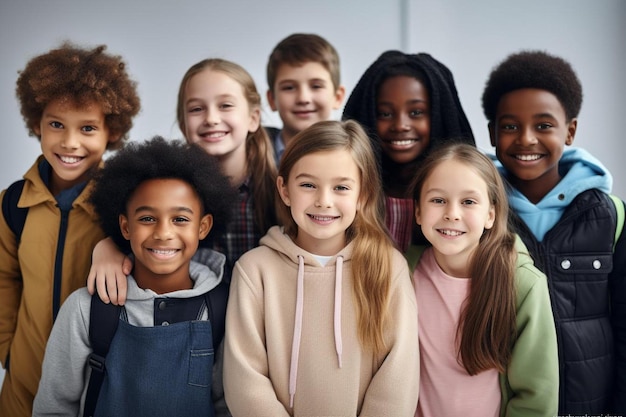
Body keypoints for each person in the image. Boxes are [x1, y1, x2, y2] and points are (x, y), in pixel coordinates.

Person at [223, 120, 419, 416]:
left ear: (362, 194)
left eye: (341, 187)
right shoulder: (254, 271)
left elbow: (398, 376)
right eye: (308, 185)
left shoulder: (388, 267)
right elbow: (244, 379)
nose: (323, 201)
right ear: (285, 190)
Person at [33, 137, 237, 416]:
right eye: (147, 219)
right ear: (125, 227)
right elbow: (54, 408)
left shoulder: (223, 307)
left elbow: (227, 406)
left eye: (180, 219)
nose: (163, 233)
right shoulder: (86, 309)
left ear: (203, 227)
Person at [481, 50, 626, 414]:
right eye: (510, 126)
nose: (526, 139)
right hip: (506, 403)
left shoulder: (610, 215)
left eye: (544, 126)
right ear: (492, 133)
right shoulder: (478, 214)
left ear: (570, 131)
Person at [0, 42, 140, 417]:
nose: (70, 142)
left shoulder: (127, 206)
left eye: (88, 128)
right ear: (37, 124)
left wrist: (111, 240)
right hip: (22, 386)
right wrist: (8, 352)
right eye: (56, 124)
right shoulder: (10, 204)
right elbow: (3, 281)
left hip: (96, 387)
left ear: (111, 131)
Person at [88, 58, 278, 305]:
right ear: (183, 124)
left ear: (253, 118)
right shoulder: (161, 190)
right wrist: (109, 246)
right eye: (197, 109)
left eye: (225, 105)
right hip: (194, 322)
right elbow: (144, 235)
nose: (211, 118)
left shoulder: (280, 189)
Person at [408, 142, 558, 416]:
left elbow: (536, 395)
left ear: (490, 214)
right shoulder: (403, 273)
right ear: (418, 210)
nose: (452, 213)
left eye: (468, 202)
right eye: (438, 200)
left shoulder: (522, 284)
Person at [343, 50, 475, 252]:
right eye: (385, 114)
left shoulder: (469, 194)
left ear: (440, 115)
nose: (400, 125)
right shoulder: (347, 191)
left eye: (416, 113)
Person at [265, 33, 346, 163]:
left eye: (316, 86)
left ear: (337, 97)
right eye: (289, 88)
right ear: (271, 99)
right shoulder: (251, 157)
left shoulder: (352, 156)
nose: (303, 98)